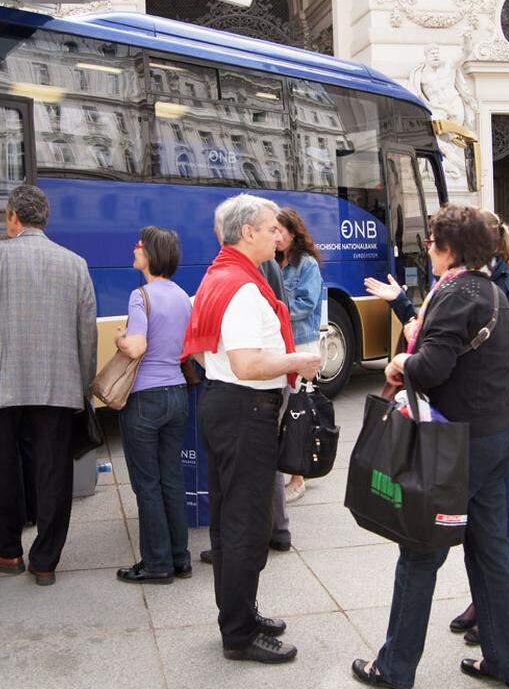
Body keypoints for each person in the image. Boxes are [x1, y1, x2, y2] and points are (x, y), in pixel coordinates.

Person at [351, 205, 509, 689]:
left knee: (420, 552)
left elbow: (431, 368)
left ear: (449, 248)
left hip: (457, 443)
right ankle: (508, 663)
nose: (427, 247)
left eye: (433, 241)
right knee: (491, 553)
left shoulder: (453, 293)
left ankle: (394, 667)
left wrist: (400, 365)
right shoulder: (493, 291)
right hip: (497, 434)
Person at [181, 194, 321, 665]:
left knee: (230, 521)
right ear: (247, 235)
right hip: (245, 410)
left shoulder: (221, 275)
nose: (277, 235)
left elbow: (204, 353)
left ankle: (239, 613)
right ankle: (239, 635)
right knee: (245, 524)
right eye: (270, 228)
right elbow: (248, 361)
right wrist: (301, 360)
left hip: (226, 405)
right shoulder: (241, 286)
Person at [0, 184, 97, 586]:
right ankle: (45, 560)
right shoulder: (74, 263)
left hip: (1, 384)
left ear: (13, 218)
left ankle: (6, 552)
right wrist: (83, 384)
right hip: (58, 386)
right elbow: (86, 333)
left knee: (0, 468)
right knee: (54, 470)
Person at [448, 211, 509, 648]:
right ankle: (483, 604)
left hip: (505, 421)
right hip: (489, 420)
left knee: (500, 520)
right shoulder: (477, 285)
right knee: (484, 523)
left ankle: (494, 613)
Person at [114, 226, 193, 585]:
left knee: (146, 484)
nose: (135, 249)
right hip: (177, 393)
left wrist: (120, 337)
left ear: (151, 256)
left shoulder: (139, 296)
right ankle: (180, 558)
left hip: (145, 398)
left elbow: (137, 347)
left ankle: (157, 564)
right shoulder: (182, 296)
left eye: (140, 246)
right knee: (172, 479)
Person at [275, 207, 325, 504]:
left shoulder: (306, 265)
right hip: (280, 344)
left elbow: (305, 304)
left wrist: (274, 315)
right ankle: (286, 468)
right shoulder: (273, 262)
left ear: (293, 233)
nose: (275, 235)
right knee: (282, 410)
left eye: (279, 230)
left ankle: (298, 477)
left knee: (298, 411)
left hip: (301, 344)